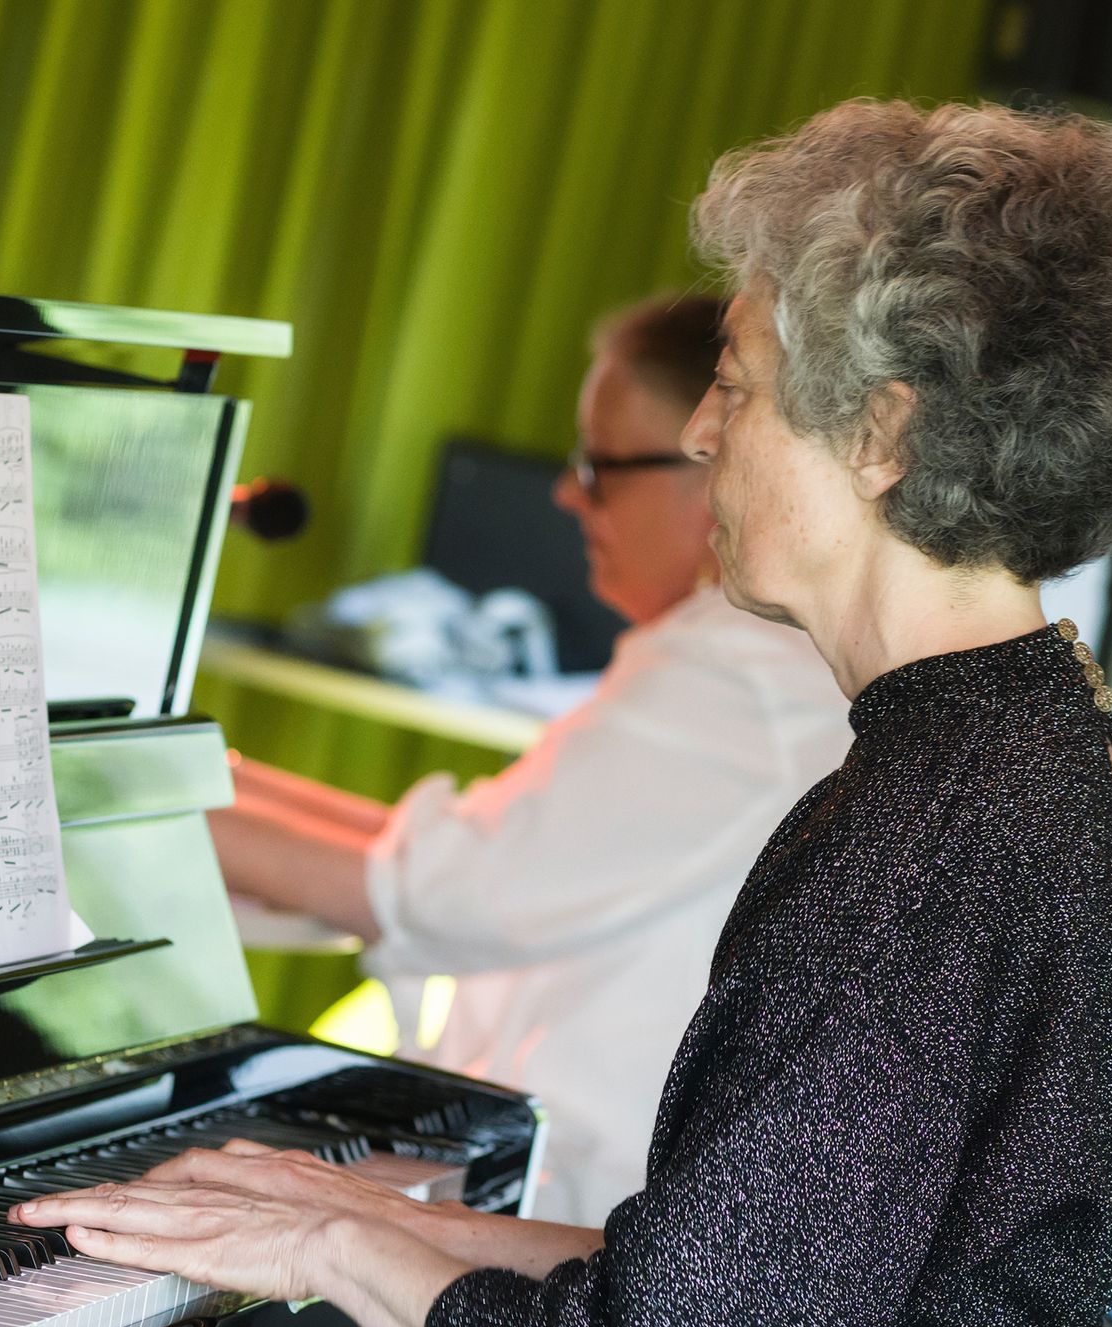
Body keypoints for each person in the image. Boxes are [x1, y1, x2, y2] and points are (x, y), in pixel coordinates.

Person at [14, 99, 1112, 1327]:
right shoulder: (1043, 753)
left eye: (737, 384)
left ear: (883, 436)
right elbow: (748, 1303)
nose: (701, 432)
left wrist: (328, 1248)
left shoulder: (923, 835)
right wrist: (359, 1209)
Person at [212, 293, 852, 1226]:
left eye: (598, 465)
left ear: (718, 461)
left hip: (588, 1219)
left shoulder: (742, 666)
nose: (567, 494)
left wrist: (102, 796)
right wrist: (210, 781)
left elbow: (442, 891)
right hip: (555, 1182)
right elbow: (474, 845)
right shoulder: (742, 659)